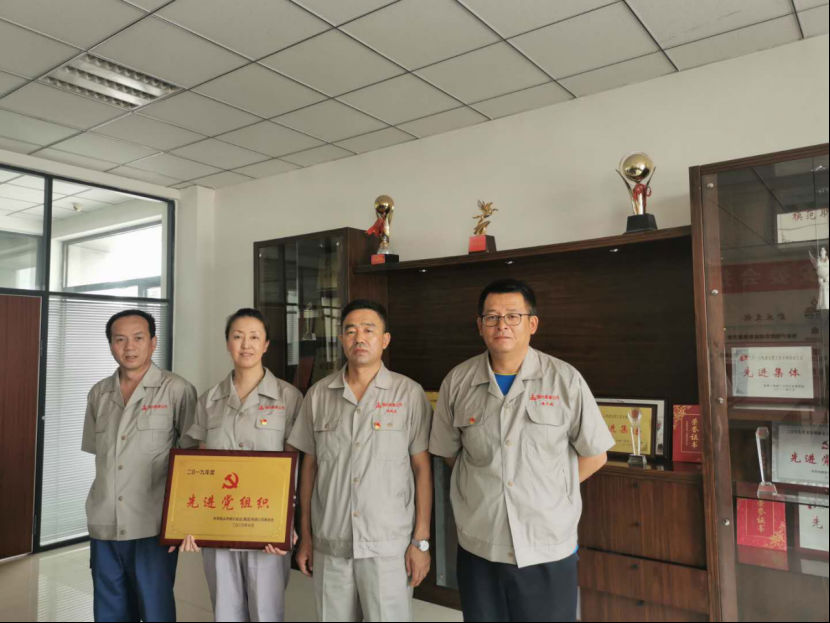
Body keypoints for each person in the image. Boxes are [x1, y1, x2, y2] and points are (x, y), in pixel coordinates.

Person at [429, 279, 614, 622]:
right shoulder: (457, 382)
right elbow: (449, 453)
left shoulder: (565, 379)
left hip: (546, 545)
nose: (502, 325)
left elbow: (595, 455)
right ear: (479, 325)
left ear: (532, 323)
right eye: (492, 317)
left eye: (513, 316)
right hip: (479, 544)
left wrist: (546, 489)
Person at [287, 299, 433, 622]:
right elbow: (309, 469)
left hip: (389, 547)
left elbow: (422, 469)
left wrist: (421, 541)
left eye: (369, 330)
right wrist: (305, 536)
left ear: (385, 339)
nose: (359, 338)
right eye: (351, 331)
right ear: (341, 339)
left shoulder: (408, 394)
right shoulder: (318, 395)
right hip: (330, 544)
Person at [179, 308, 303, 622]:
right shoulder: (209, 400)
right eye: (237, 337)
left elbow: (295, 469)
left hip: (267, 526)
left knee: (266, 612)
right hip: (218, 524)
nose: (246, 345)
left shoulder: (288, 398)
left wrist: (288, 524)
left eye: (254, 337)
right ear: (227, 343)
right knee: (225, 610)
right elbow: (200, 467)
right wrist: (189, 522)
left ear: (266, 344)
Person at [81, 309, 197, 622]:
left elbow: (192, 462)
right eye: (120, 339)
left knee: (156, 611)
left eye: (138, 338)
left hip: (152, 526)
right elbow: (100, 454)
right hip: (105, 523)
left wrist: (182, 522)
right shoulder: (98, 393)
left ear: (153, 342)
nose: (129, 347)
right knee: (109, 612)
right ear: (111, 344)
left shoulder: (177, 390)